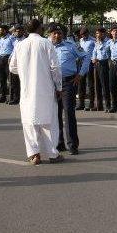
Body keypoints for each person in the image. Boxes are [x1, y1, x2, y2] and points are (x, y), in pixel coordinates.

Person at [9, 19, 63, 164]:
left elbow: (12, 67)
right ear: (40, 28)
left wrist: (26, 72)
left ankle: (34, 154)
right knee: (49, 122)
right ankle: (53, 154)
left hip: (27, 90)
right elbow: (55, 68)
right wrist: (59, 87)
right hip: (45, 89)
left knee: (29, 122)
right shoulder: (46, 43)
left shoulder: (20, 45)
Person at [50, 24, 87, 155]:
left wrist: (81, 74)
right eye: (54, 33)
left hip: (68, 83)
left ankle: (72, 144)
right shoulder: (46, 46)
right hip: (52, 83)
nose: (56, 35)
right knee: (55, 114)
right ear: (50, 34)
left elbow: (86, 57)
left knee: (69, 113)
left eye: (59, 33)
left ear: (63, 34)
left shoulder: (72, 45)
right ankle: (59, 143)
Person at [104, 26, 117, 113]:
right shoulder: (109, 42)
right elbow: (107, 51)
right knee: (112, 85)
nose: (115, 33)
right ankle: (114, 106)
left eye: (116, 31)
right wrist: (109, 60)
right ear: (111, 33)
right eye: (113, 31)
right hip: (112, 63)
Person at [76, 27, 97, 111]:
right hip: (81, 64)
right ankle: (81, 104)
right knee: (81, 84)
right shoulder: (81, 41)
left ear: (88, 33)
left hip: (90, 64)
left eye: (84, 34)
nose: (83, 36)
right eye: (82, 34)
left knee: (90, 84)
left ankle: (91, 104)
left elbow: (96, 51)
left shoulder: (93, 41)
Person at [0, 25, 15, 104]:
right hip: (1, 59)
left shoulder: (11, 38)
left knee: (10, 79)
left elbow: (15, 48)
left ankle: (12, 97)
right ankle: (3, 96)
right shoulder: (1, 39)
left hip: (8, 58)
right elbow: (0, 50)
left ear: (5, 31)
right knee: (1, 79)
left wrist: (11, 57)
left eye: (0, 30)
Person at [7, 25, 24, 105]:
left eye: (17, 31)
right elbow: (14, 51)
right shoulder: (16, 41)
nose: (16, 33)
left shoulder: (25, 41)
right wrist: (10, 58)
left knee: (21, 83)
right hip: (14, 65)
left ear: (22, 31)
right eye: (15, 31)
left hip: (22, 64)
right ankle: (15, 98)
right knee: (14, 83)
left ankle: (21, 99)